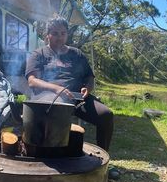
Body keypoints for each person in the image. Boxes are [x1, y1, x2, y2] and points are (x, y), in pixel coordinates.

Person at [25, 16, 113, 151]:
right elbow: (32, 81)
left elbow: (89, 77)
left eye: (63, 33)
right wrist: (55, 88)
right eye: (55, 33)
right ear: (48, 35)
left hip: (77, 98)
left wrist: (87, 89)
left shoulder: (76, 54)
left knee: (106, 115)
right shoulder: (39, 54)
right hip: (50, 98)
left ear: (67, 34)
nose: (59, 37)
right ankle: (50, 155)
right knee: (56, 115)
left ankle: (104, 155)